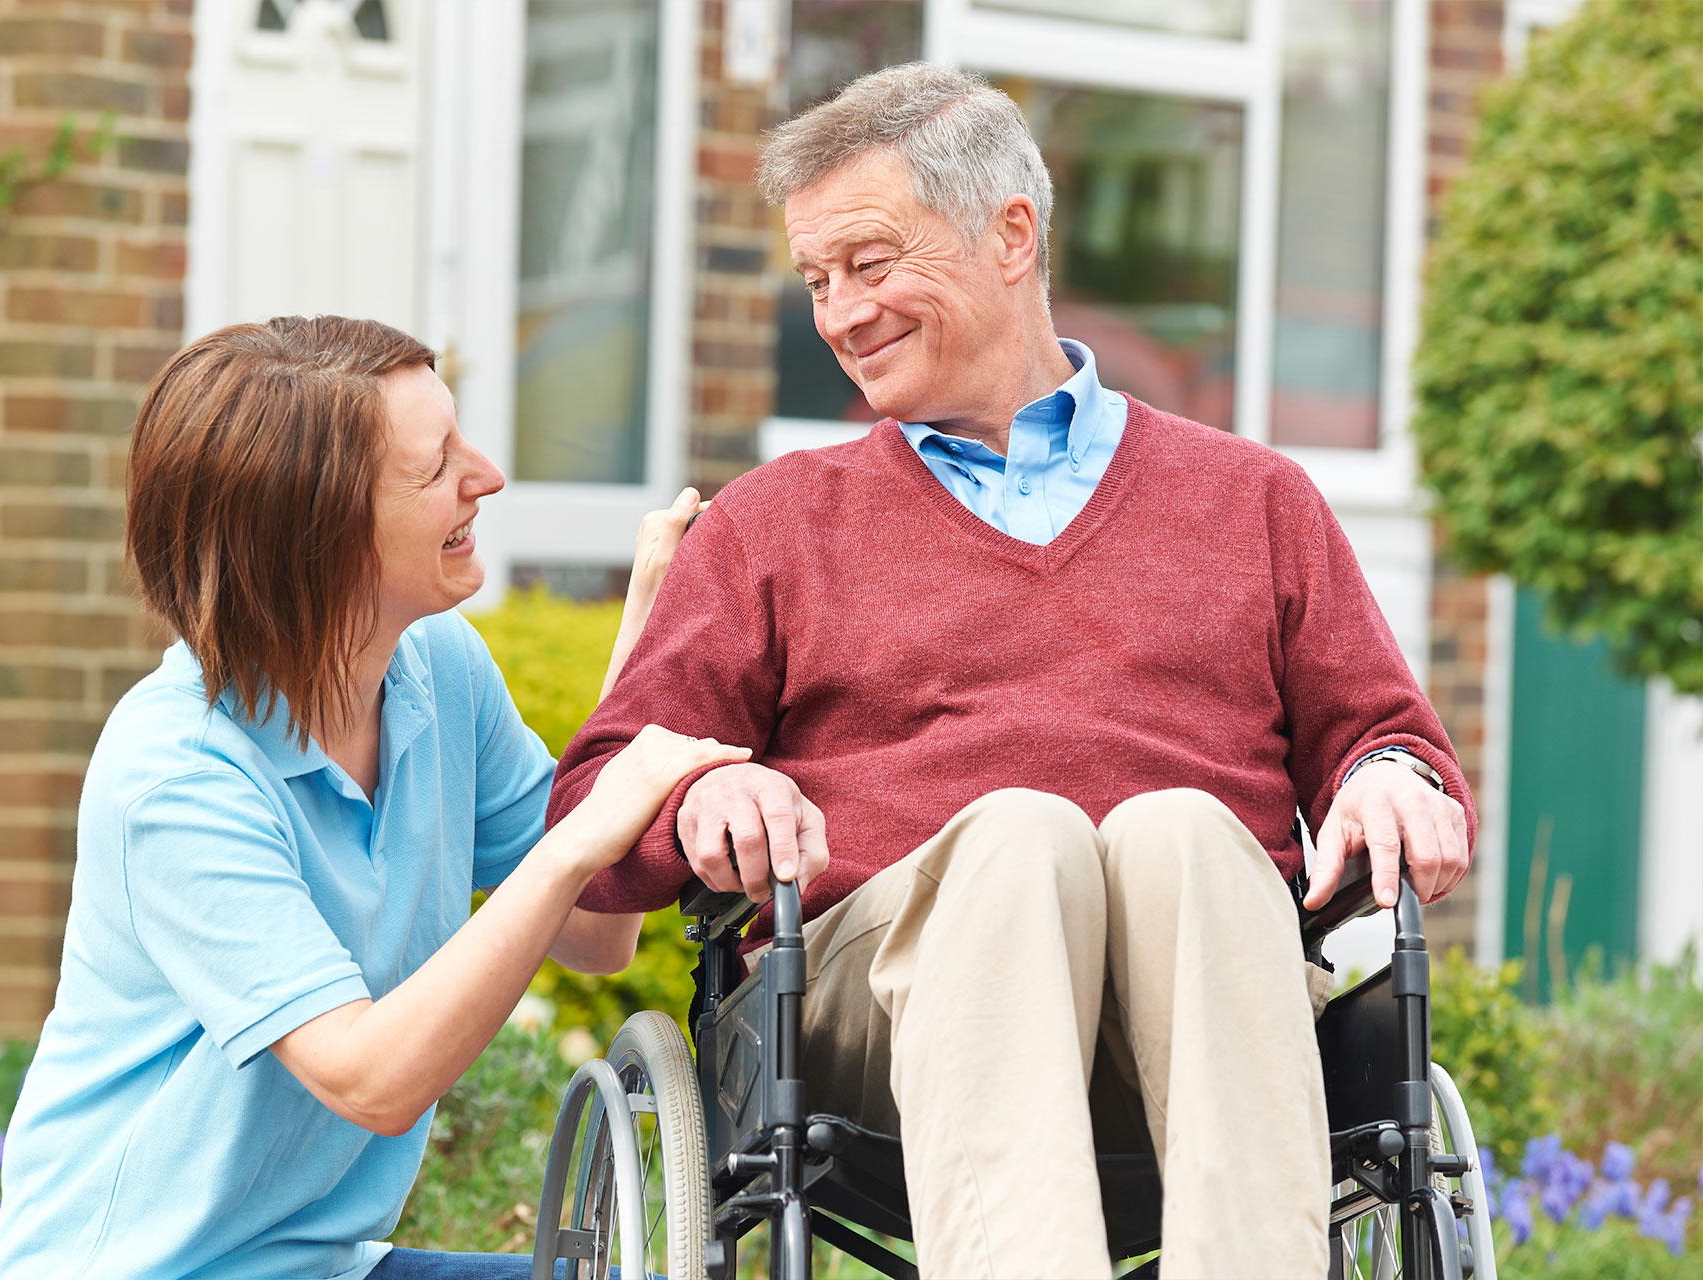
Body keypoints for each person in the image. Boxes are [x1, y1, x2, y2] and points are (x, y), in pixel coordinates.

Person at [550, 64, 1475, 1279]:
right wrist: (692, 794)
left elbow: (1385, 733)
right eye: (817, 280)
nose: (836, 314)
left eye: (871, 265)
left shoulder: (1256, 501)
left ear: (1011, 234)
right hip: (879, 1012)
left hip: (1202, 998)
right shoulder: (774, 525)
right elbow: (597, 798)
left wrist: (1393, 777)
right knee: (1019, 836)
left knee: (1185, 832)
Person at [0, 315, 745, 1280]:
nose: (487, 477)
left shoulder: (435, 670)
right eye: (435, 470)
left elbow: (597, 933)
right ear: (318, 537)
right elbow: (371, 1078)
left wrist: (651, 628)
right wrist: (576, 837)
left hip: (323, 1263)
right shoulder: (178, 774)